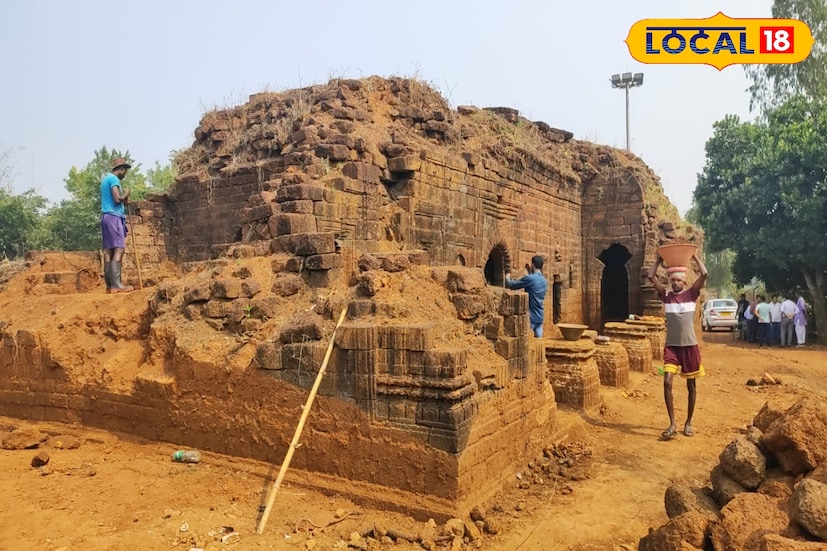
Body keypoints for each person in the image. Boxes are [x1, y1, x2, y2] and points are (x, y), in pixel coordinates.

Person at [647, 250, 708, 439]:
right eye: (672, 280)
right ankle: (672, 424)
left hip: (690, 346)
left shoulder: (692, 294)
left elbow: (704, 274)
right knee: (667, 382)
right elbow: (650, 276)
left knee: (691, 386)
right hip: (671, 347)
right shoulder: (666, 295)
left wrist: (694, 257)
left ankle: (688, 423)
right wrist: (658, 260)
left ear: (684, 282)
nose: (675, 283)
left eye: (678, 281)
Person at [100, 157, 134, 293]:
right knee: (119, 249)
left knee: (109, 250)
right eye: (125, 171)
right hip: (113, 217)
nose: (125, 174)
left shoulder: (105, 180)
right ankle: (116, 285)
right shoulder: (114, 179)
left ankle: (110, 286)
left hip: (106, 217)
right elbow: (117, 198)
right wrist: (125, 193)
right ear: (121, 169)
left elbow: (117, 201)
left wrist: (124, 200)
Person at [505, 255, 548, 338]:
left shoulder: (530, 278)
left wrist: (507, 277)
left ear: (533, 265)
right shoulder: (544, 280)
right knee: (538, 342)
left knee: (526, 340)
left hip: (531, 317)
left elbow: (512, 285)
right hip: (540, 315)